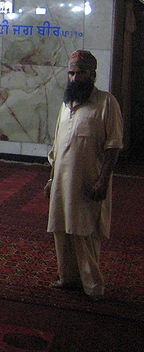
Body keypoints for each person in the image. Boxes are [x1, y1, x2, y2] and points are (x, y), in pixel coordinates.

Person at [45, 49, 123, 300]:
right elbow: (57, 146)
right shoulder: (66, 104)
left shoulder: (106, 102)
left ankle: (93, 286)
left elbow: (113, 145)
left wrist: (103, 180)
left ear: (92, 74)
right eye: (71, 73)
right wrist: (51, 179)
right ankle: (67, 278)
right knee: (61, 229)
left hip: (88, 181)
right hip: (61, 181)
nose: (74, 78)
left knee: (84, 231)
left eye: (80, 73)